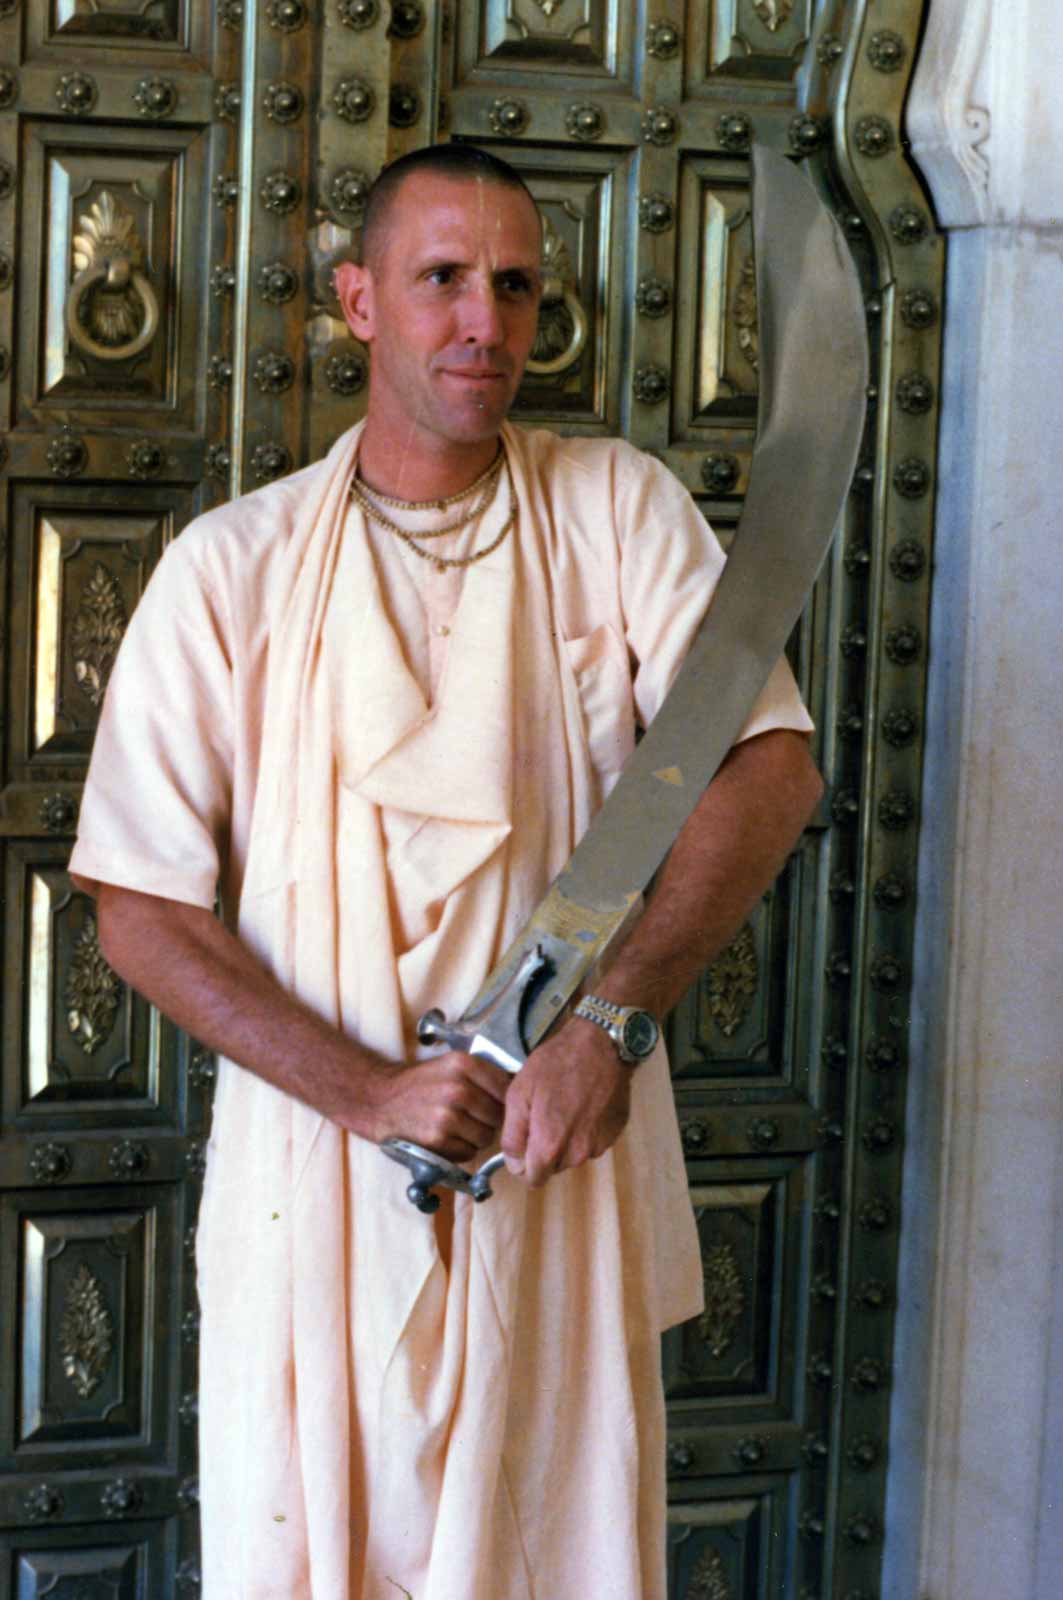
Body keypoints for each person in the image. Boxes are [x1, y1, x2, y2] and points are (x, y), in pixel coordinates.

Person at [70, 143, 822, 1599]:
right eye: (443, 279)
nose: (487, 320)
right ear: (359, 301)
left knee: (553, 1547)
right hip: (315, 1177)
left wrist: (610, 1023)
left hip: (556, 1148)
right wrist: (369, 1092)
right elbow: (141, 910)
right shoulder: (231, 568)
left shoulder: (618, 511)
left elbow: (768, 767)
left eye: (517, 286)